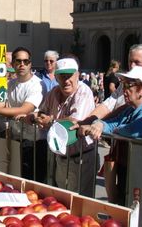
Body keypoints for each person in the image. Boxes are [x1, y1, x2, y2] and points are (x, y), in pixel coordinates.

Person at [78, 66, 142, 205]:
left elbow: (136, 130)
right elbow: (111, 123)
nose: (124, 90)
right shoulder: (129, 109)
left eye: (128, 85)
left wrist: (112, 129)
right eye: (123, 85)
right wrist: (99, 125)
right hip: (129, 169)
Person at [27, 57, 97, 197]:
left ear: (77, 75)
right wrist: (34, 116)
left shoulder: (84, 91)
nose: (66, 80)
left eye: (69, 76)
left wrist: (50, 121)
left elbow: (74, 122)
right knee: (60, 199)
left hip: (81, 157)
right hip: (60, 156)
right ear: (56, 77)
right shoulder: (53, 92)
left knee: (79, 203)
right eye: (62, 76)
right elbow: (42, 111)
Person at [0, 47, 45, 181]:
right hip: (16, 139)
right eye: (18, 61)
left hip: (34, 143)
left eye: (26, 61)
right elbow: (1, 103)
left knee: (31, 185)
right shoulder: (10, 83)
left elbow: (25, 109)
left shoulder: (37, 84)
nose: (22, 64)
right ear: (13, 64)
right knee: (15, 182)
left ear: (31, 64)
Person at [87, 44, 142, 121]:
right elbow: (108, 105)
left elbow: (135, 109)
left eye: (137, 62)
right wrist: (87, 121)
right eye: (130, 62)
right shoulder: (128, 79)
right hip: (117, 132)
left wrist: (101, 123)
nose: (132, 66)